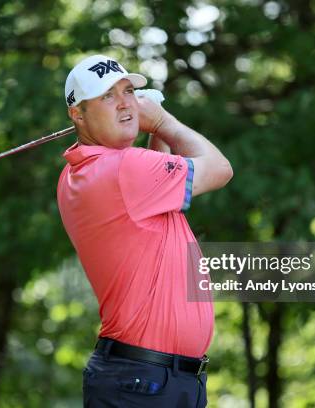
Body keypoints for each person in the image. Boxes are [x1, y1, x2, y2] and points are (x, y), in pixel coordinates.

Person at [57, 54, 232, 407]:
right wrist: (162, 120)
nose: (126, 103)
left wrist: (153, 134)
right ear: (78, 114)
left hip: (145, 379)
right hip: (144, 383)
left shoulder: (78, 172)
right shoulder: (123, 170)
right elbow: (220, 169)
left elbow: (158, 198)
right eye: (107, 96)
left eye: (128, 91)